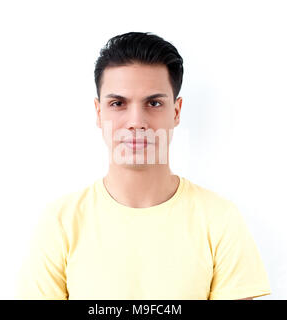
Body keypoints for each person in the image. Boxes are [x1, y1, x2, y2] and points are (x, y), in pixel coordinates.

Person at [16, 32, 271, 300]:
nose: (136, 121)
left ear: (176, 111)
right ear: (99, 112)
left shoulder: (220, 219)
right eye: (117, 103)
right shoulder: (59, 223)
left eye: (154, 103)